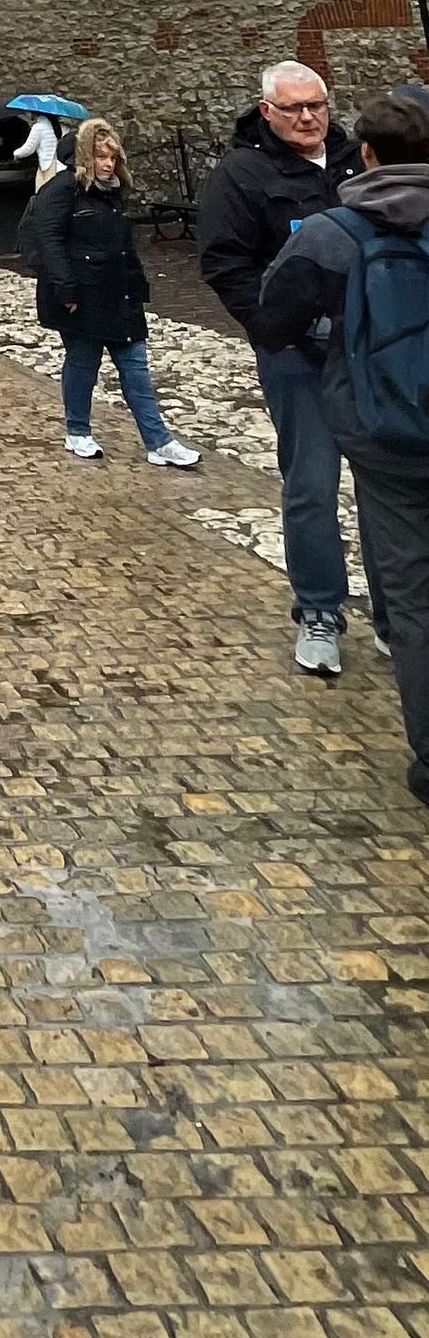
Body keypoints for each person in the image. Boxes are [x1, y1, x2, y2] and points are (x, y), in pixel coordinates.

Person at [258, 91, 429, 796]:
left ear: (366, 154)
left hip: (388, 433)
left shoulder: (335, 232)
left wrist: (338, 339)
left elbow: (272, 320)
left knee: (416, 597)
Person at [198, 59, 385, 677]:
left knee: (385, 486)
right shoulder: (241, 174)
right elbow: (226, 262)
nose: (309, 117)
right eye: (295, 108)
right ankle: (320, 611)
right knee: (310, 487)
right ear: (268, 110)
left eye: (318, 105)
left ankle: (394, 612)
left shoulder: (357, 160)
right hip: (298, 355)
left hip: (373, 347)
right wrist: (272, 330)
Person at [21, 119, 201, 466]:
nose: (107, 164)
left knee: (135, 367)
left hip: (118, 293)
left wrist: (137, 283)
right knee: (83, 363)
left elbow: (122, 245)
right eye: (101, 157)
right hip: (82, 295)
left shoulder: (114, 193)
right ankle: (77, 431)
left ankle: (158, 441)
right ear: (87, 157)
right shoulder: (61, 191)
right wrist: (66, 289)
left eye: (113, 158)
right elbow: (49, 241)